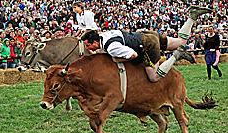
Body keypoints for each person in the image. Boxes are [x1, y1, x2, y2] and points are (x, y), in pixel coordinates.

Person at [81, 6, 212, 82]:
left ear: (95, 42)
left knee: (153, 77)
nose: (88, 48)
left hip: (148, 46)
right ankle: (192, 16)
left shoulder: (111, 47)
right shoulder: (105, 34)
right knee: (181, 42)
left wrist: (117, 59)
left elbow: (133, 55)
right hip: (147, 35)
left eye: (88, 45)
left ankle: (176, 56)